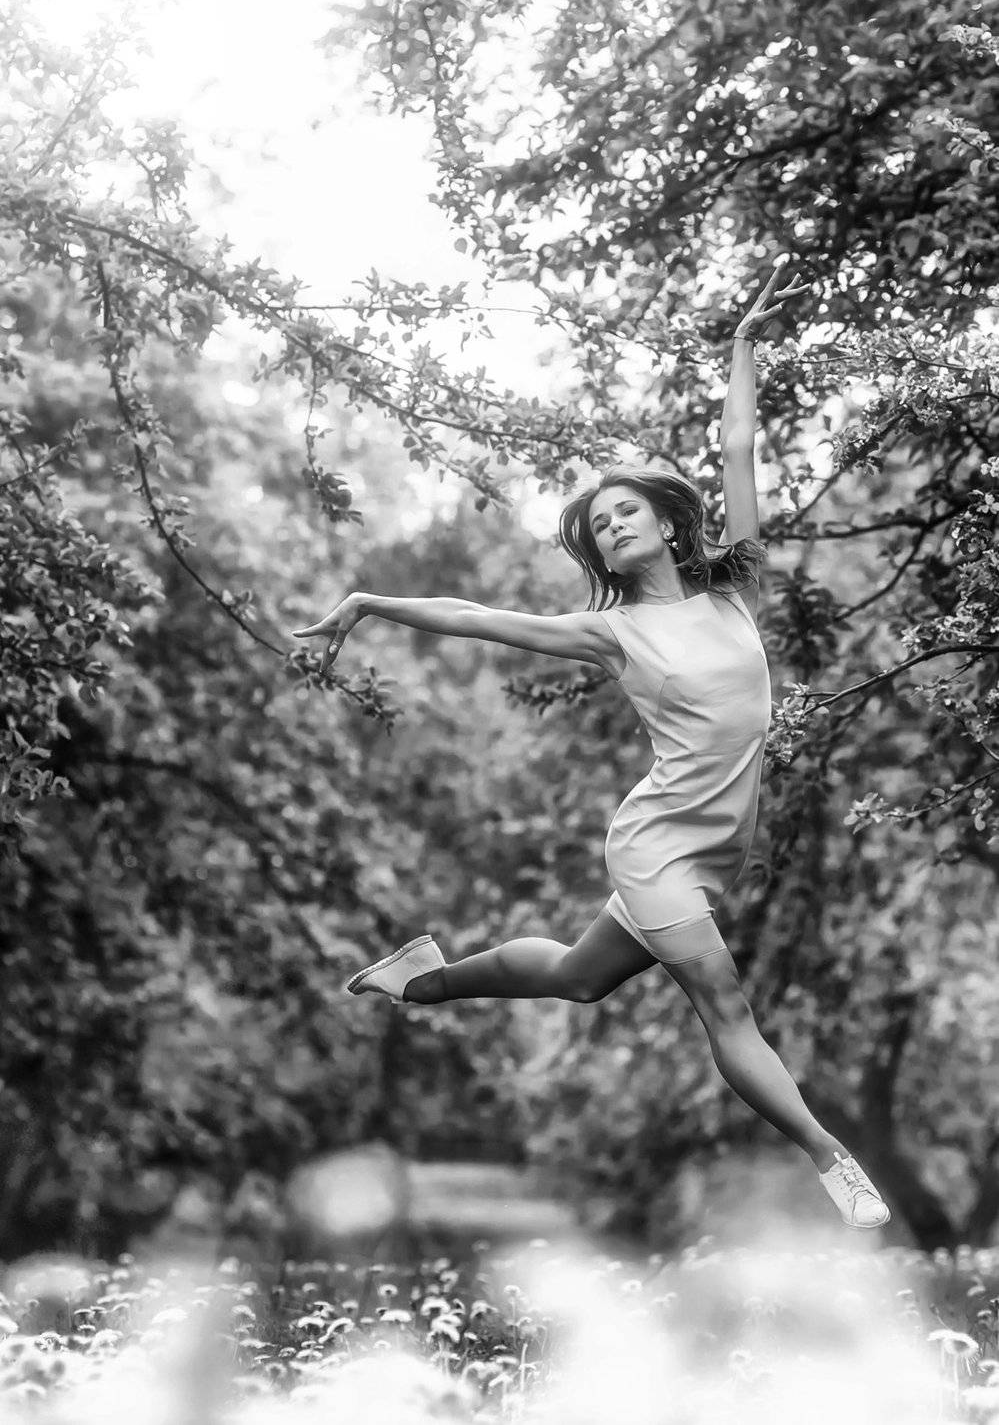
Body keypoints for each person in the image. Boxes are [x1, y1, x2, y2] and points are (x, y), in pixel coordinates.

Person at [292, 268, 891, 1230]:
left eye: (625, 513)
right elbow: (475, 616)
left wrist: (743, 344)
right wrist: (367, 602)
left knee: (579, 976)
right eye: (599, 526)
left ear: (667, 522)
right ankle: (833, 1160)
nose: (611, 528)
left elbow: (738, 448)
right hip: (656, 844)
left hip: (717, 845)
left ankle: (423, 977)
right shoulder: (611, 634)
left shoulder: (735, 590)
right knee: (724, 1004)